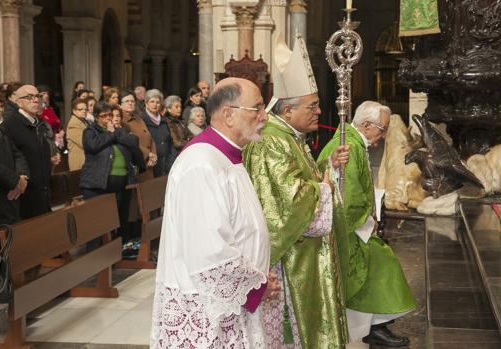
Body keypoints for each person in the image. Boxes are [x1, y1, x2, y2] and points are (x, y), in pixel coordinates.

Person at [243, 33, 349, 349]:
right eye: (312, 106)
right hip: (287, 261)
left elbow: (303, 181)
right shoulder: (273, 142)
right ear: (288, 111)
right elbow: (287, 204)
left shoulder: (289, 137)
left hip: (303, 254)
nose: (319, 111)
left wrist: (327, 166)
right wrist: (326, 189)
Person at [151, 77, 275, 348]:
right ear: (229, 114)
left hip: (232, 304)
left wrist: (259, 274)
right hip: (209, 310)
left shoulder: (226, 157)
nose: (265, 116)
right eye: (258, 108)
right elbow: (211, 254)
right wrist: (257, 285)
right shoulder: (201, 164)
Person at [318, 101, 416, 347]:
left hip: (357, 225)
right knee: (381, 263)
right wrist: (365, 223)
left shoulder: (354, 141)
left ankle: (377, 325)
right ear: (365, 125)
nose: (382, 137)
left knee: (382, 262)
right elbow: (347, 196)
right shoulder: (347, 146)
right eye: (381, 130)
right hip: (346, 229)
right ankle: (373, 327)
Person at [80, 102, 145, 241]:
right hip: (97, 183)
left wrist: (114, 133)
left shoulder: (118, 130)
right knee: (99, 222)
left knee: (120, 218)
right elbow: (94, 146)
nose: (108, 118)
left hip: (121, 182)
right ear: (97, 117)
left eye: (110, 115)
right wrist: (110, 133)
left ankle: (118, 250)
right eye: (104, 116)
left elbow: (133, 141)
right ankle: (96, 254)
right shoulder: (90, 131)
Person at [2, 83, 53, 219]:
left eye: (37, 96)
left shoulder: (38, 122)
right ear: (19, 102)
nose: (36, 100)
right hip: (25, 195)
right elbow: (10, 157)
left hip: (43, 191)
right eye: (29, 97)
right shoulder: (10, 125)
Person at [0, 85, 29, 226]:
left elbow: (17, 154)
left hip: (12, 195)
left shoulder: (0, 127)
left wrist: (22, 176)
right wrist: (15, 181)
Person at [119, 90, 157, 180]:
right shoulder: (121, 121)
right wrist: (148, 154)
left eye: (132, 101)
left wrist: (154, 154)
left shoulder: (138, 118)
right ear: (120, 105)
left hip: (150, 162)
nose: (130, 103)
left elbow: (150, 138)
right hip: (137, 162)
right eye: (127, 101)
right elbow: (130, 142)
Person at [143, 89, 173, 177]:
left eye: (158, 102)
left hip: (166, 165)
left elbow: (170, 142)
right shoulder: (142, 120)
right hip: (151, 166)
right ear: (146, 103)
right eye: (152, 101)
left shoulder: (165, 121)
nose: (155, 105)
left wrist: (171, 161)